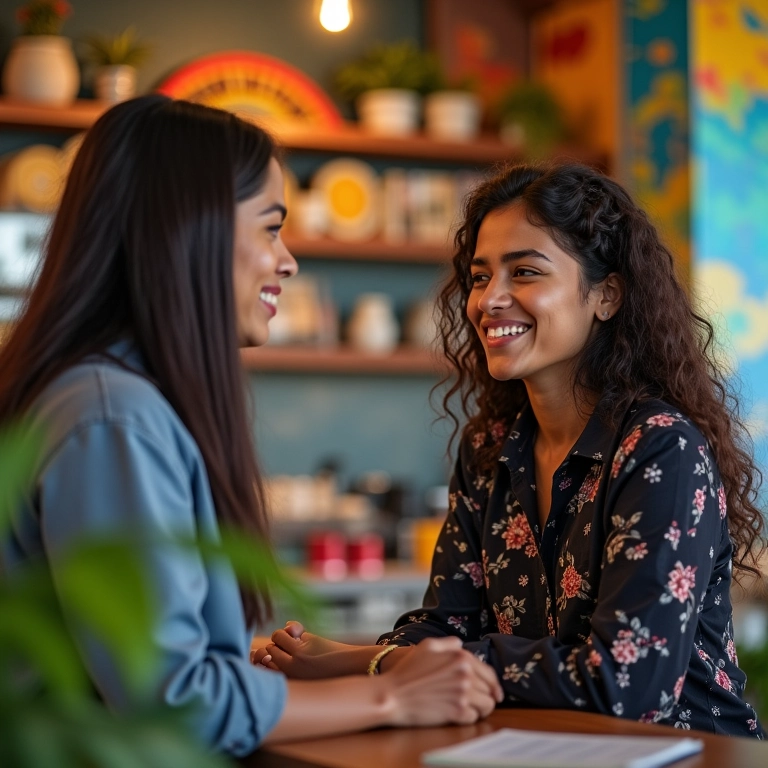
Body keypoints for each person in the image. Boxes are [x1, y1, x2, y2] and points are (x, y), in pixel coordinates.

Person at [0, 95, 503, 757]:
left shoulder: (105, 397)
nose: (288, 261)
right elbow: (171, 698)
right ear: (188, 228)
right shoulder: (112, 414)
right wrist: (394, 696)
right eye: (270, 227)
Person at [253, 161, 767, 738]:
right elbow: (445, 623)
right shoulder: (490, 449)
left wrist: (367, 661)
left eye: (524, 271)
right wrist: (348, 657)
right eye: (478, 277)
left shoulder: (660, 450)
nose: (490, 300)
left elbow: (628, 687)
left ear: (606, 295)